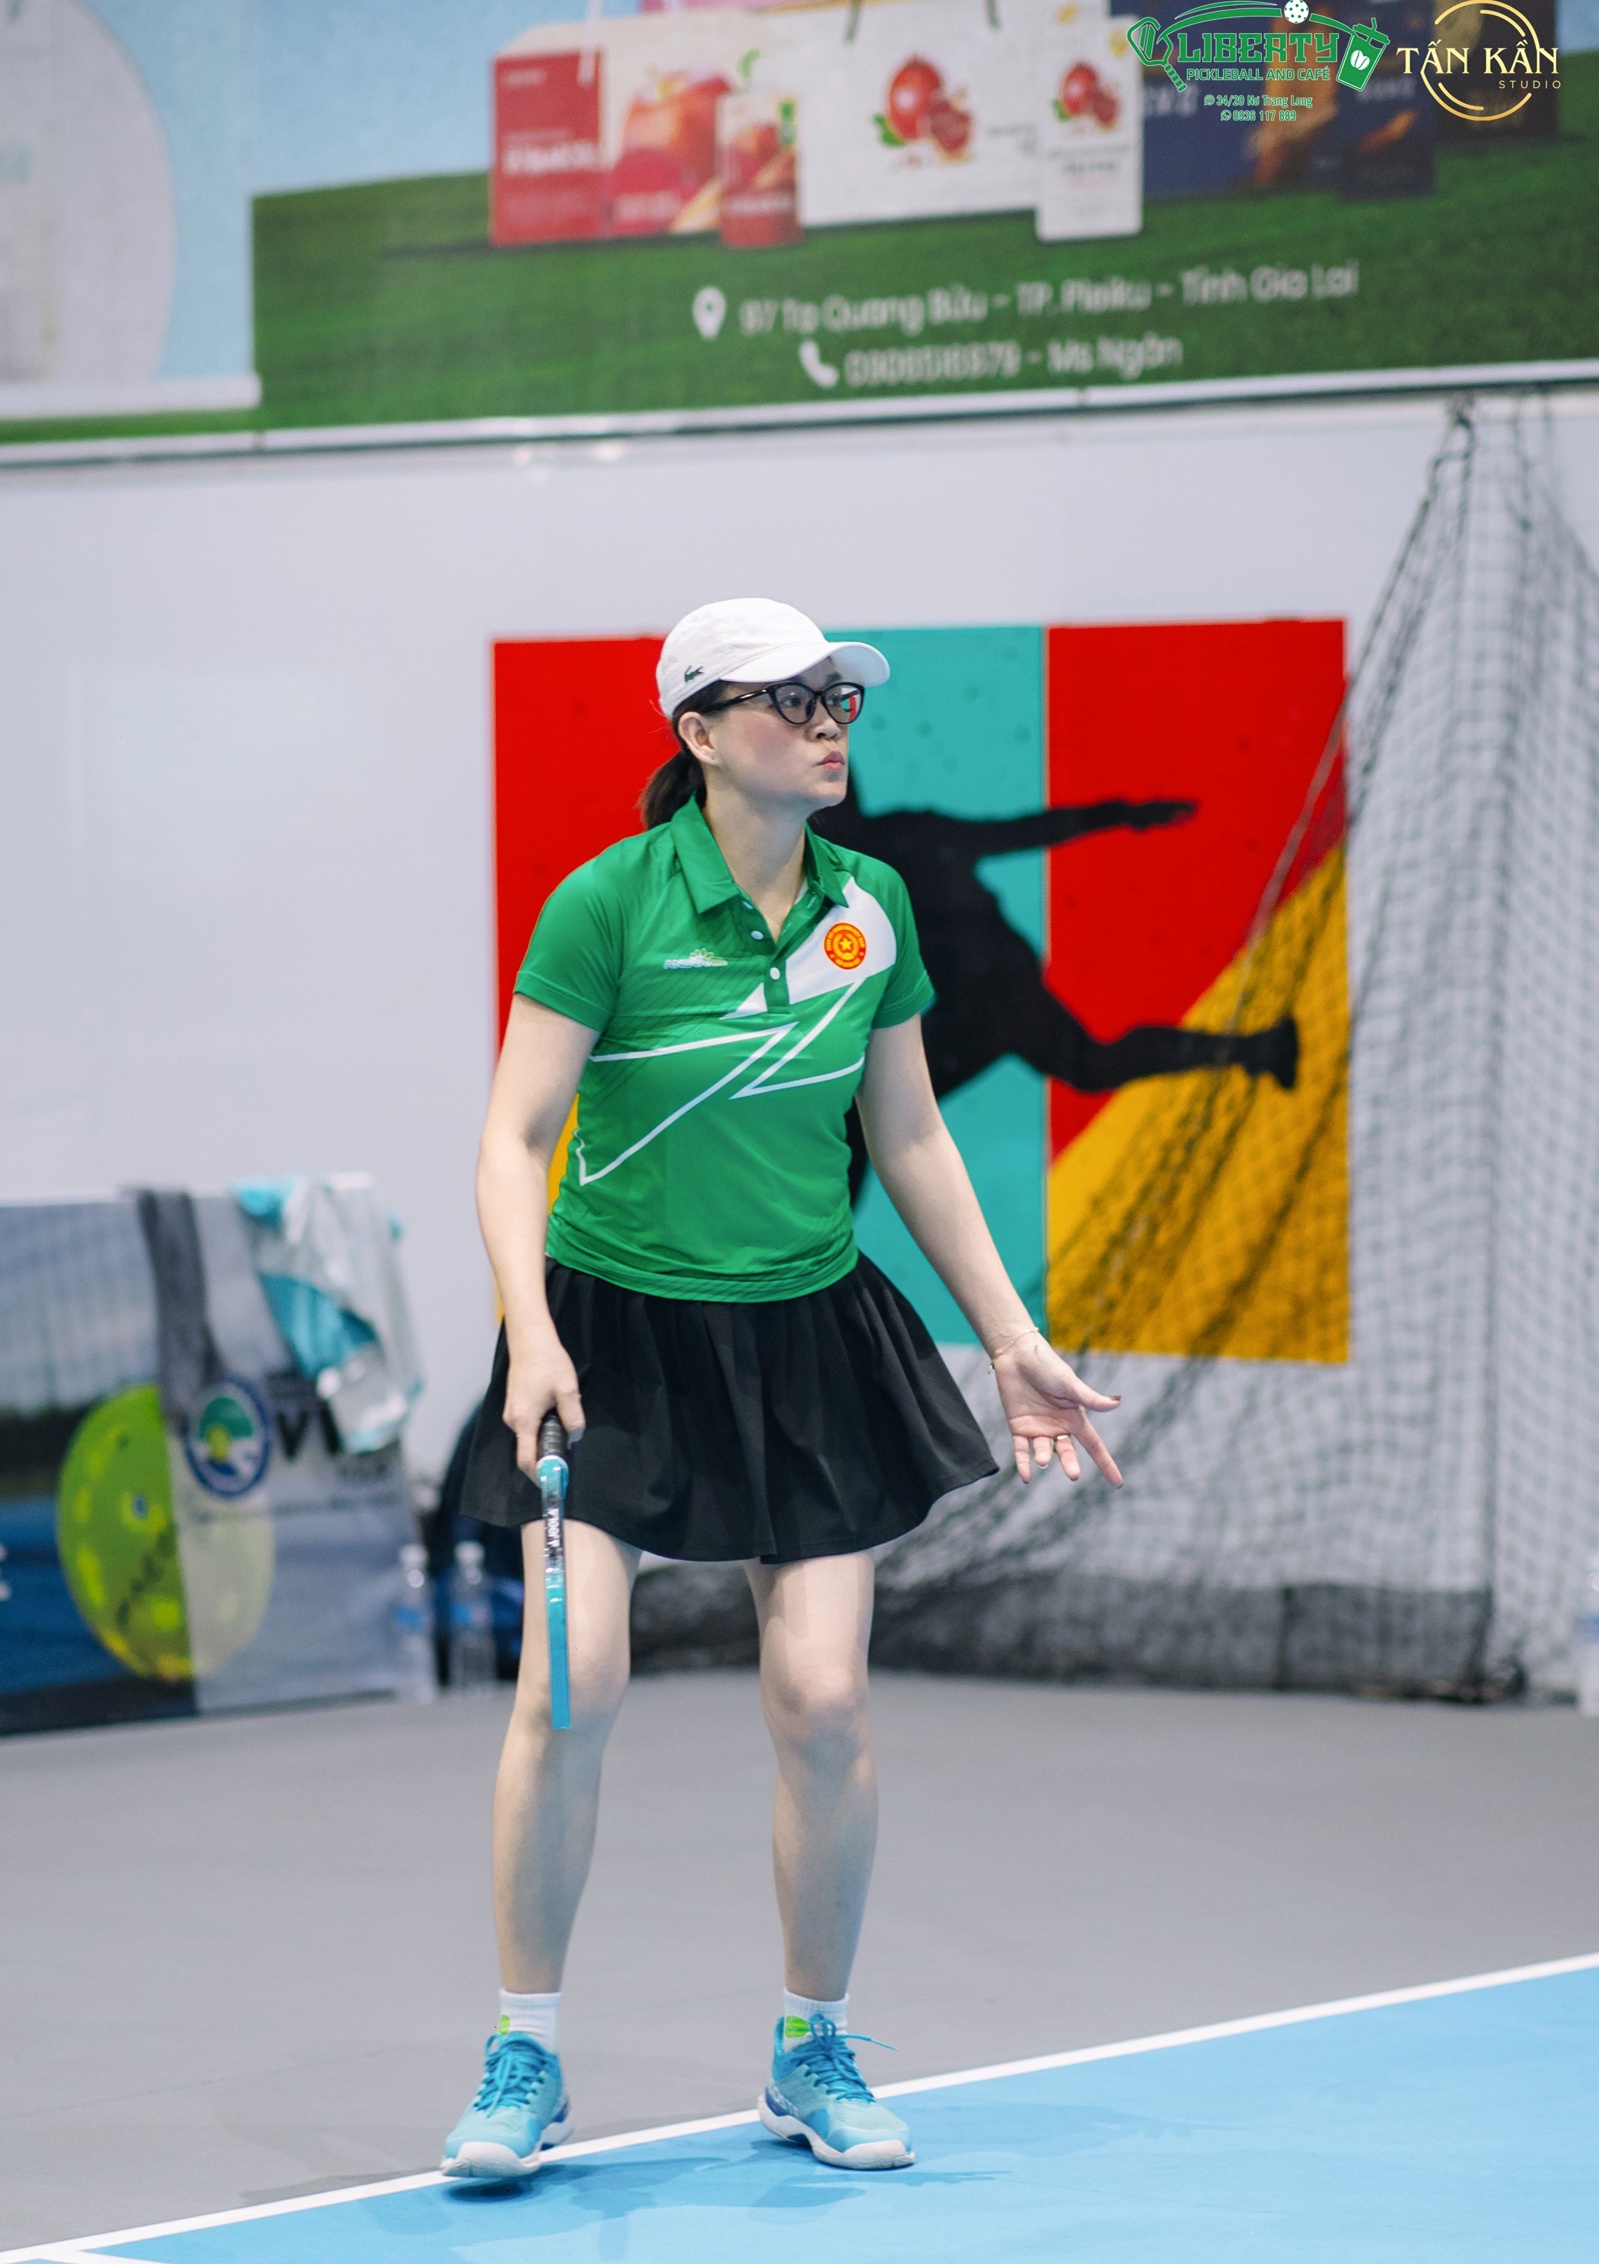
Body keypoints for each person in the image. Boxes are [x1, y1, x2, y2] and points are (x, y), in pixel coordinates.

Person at [442, 598, 1123, 2183]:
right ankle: (522, 2052)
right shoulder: (607, 904)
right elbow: (512, 1139)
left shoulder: (867, 905)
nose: (828, 723)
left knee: (823, 1700)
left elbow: (908, 1136)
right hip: (609, 1341)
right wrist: (527, 1330)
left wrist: (1006, 1335)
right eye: (789, 699)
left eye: (838, 698)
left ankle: (811, 2045)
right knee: (572, 1683)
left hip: (805, 1339)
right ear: (696, 734)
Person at [826, 780, 1298, 1199]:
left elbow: (1019, 833)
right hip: (989, 991)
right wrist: (1120, 815)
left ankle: (1257, 1048)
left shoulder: (878, 856)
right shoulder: (888, 847)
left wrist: (1118, 815)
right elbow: (1018, 832)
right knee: (1090, 1065)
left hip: (989, 998)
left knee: (868, 1110)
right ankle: (1257, 1049)